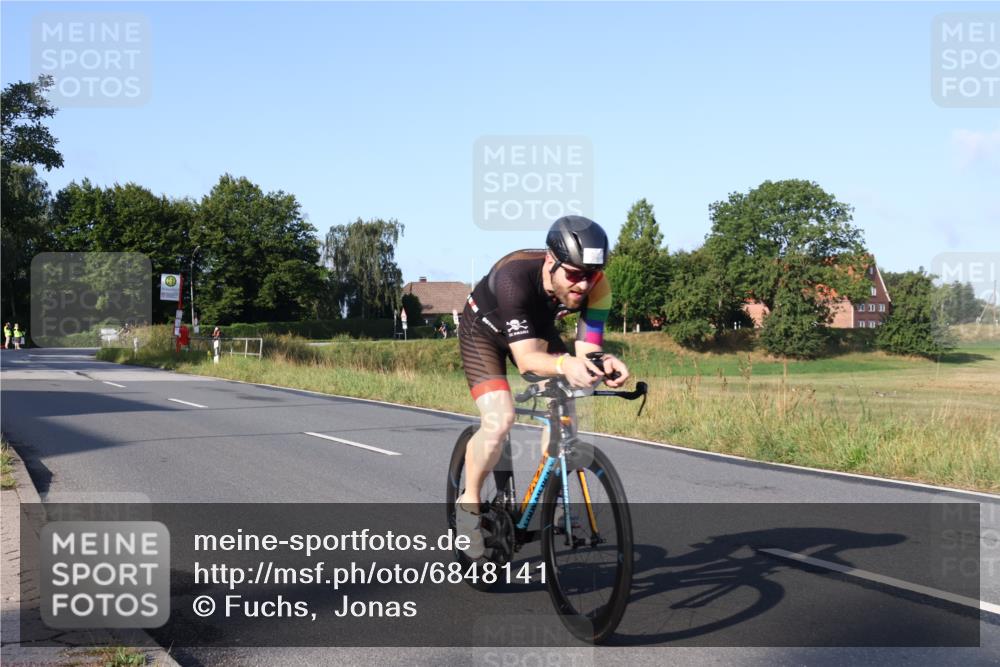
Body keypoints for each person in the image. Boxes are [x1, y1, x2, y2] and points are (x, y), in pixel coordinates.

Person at [456, 215, 630, 558]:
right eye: (575, 275)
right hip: (484, 331)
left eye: (591, 275)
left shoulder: (599, 287)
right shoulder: (513, 277)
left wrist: (602, 363)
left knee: (564, 400)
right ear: (551, 261)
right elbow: (526, 360)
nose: (584, 285)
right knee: (500, 418)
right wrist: (566, 364)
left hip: (533, 327)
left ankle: (558, 497)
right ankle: (469, 506)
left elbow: (588, 349)